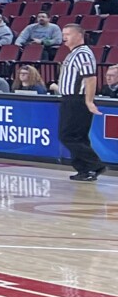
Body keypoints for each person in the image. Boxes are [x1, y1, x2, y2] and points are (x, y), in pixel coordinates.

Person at [58, 22, 102, 183]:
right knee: (78, 137)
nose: (64, 38)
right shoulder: (73, 53)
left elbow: (90, 78)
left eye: (68, 34)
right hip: (70, 99)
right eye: (63, 34)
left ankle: (95, 165)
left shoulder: (83, 53)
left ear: (79, 35)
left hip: (77, 100)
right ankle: (85, 169)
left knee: (67, 135)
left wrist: (89, 101)